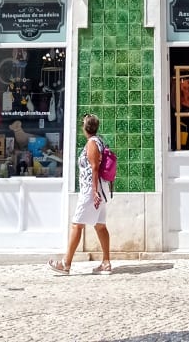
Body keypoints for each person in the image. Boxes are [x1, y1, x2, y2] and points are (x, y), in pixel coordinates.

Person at [48, 113, 111, 276]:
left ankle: (65, 263)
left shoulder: (91, 143)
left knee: (77, 224)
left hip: (92, 191)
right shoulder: (100, 141)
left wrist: (94, 191)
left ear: (85, 128)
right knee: (100, 225)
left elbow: (94, 167)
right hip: (99, 190)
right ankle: (106, 262)